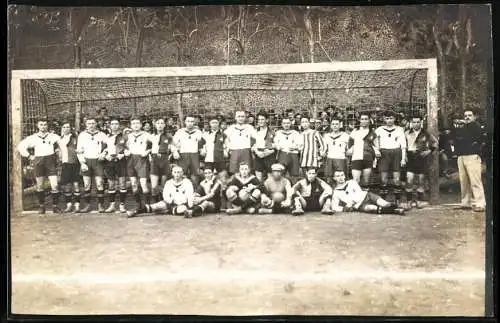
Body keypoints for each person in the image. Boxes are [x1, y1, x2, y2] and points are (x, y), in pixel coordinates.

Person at [18, 119, 62, 214]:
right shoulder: (33, 137)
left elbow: (62, 145)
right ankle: (42, 206)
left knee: (54, 184)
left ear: (47, 126)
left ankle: (55, 206)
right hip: (39, 161)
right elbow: (21, 146)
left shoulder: (53, 136)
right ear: (38, 126)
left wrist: (60, 153)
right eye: (41, 125)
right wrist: (29, 156)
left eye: (45, 124)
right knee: (40, 185)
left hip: (50, 160)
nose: (43, 126)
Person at [126, 166, 194, 217]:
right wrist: (171, 201)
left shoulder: (187, 182)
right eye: (175, 172)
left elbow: (190, 195)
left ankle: (168, 211)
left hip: (182, 204)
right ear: (172, 173)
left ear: (182, 173)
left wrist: (189, 205)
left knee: (182, 209)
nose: (177, 174)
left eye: (179, 172)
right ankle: (135, 212)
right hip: (170, 203)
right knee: (155, 206)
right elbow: (165, 195)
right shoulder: (169, 182)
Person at [452, 109, 485, 212]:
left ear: (474, 117)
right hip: (461, 156)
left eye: (470, 115)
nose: (467, 117)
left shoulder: (476, 126)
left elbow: (479, 139)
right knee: (464, 181)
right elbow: (455, 138)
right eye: (465, 115)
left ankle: (480, 203)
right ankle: (465, 203)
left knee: (475, 181)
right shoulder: (461, 128)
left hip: (472, 156)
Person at [331, 171, 405, 215]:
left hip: (367, 196)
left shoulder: (351, 182)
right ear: (334, 178)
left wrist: (352, 202)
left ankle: (397, 206)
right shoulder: (336, 192)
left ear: (344, 176)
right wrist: (345, 208)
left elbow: (359, 193)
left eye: (342, 175)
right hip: (359, 205)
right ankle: (395, 211)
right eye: (337, 176)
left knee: (384, 204)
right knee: (371, 208)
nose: (340, 178)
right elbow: (334, 207)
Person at [404, 115, 438, 209]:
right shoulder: (406, 133)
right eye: (414, 122)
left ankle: (419, 201)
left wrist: (429, 151)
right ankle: (409, 201)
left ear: (421, 122)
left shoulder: (426, 133)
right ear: (411, 123)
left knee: (421, 180)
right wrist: (404, 156)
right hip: (410, 157)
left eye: (418, 122)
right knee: (409, 179)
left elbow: (435, 143)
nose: (416, 124)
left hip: (421, 158)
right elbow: (402, 145)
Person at [76, 117, 108, 213]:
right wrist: (82, 163)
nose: (91, 125)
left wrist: (104, 153)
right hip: (86, 161)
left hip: (98, 161)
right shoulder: (82, 135)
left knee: (99, 183)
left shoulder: (102, 135)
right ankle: (87, 205)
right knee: (86, 184)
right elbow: (79, 150)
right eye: (89, 123)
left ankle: (100, 206)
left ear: (96, 124)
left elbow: (109, 146)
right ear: (86, 124)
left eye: (93, 123)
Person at [375, 110, 407, 205]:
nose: (389, 120)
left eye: (391, 118)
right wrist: (376, 150)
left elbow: (403, 145)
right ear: (384, 119)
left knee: (396, 179)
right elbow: (371, 141)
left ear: (395, 119)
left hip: (396, 153)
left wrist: (403, 158)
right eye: (387, 118)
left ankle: (397, 201)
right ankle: (383, 201)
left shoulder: (399, 129)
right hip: (384, 153)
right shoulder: (379, 130)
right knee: (383, 179)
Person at [124, 116, 153, 210]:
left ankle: (147, 204)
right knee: (133, 184)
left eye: (137, 123)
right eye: (133, 124)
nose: (135, 125)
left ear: (141, 124)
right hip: (131, 160)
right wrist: (125, 151)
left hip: (141, 160)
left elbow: (156, 144)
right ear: (131, 125)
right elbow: (121, 146)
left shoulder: (147, 135)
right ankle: (138, 204)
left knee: (143, 184)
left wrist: (148, 151)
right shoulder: (128, 136)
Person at [102, 117, 128, 213]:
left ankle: (122, 205)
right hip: (110, 162)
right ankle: (112, 205)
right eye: (112, 124)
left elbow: (129, 148)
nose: (114, 126)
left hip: (121, 162)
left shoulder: (125, 136)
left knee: (122, 183)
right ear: (110, 125)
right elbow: (104, 149)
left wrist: (123, 154)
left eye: (116, 124)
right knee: (111, 184)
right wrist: (105, 155)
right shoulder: (106, 136)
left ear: (119, 125)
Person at [347, 113, 379, 188]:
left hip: (368, 158)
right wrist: (352, 150)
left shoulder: (373, 133)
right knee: (356, 180)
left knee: (366, 180)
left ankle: (365, 198)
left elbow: (377, 146)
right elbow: (350, 145)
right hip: (356, 158)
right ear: (359, 120)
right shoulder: (355, 131)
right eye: (362, 119)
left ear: (369, 120)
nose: (364, 121)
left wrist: (375, 152)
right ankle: (355, 198)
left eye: (366, 119)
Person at [172, 115, 204, 184]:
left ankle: (194, 191)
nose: (190, 123)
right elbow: (173, 143)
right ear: (185, 122)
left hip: (194, 155)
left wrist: (202, 150)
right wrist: (175, 152)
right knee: (181, 174)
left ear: (194, 122)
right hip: (183, 154)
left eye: (192, 121)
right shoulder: (180, 132)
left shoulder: (198, 132)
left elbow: (201, 144)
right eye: (188, 121)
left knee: (195, 175)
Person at [224, 111, 257, 175]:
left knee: (247, 171)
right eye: (239, 116)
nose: (240, 118)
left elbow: (256, 139)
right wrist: (228, 148)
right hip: (235, 152)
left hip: (246, 151)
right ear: (235, 118)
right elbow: (225, 138)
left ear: (245, 118)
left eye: (242, 116)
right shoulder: (231, 128)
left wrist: (253, 148)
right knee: (235, 171)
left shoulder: (249, 127)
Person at [58, 123, 81, 213]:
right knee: (67, 186)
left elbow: (80, 148)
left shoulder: (75, 137)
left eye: (68, 127)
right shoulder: (59, 139)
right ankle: (69, 205)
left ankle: (77, 206)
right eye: (64, 127)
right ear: (62, 128)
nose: (66, 128)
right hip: (65, 164)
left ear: (70, 128)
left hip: (75, 163)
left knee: (76, 185)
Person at [149, 118, 172, 203]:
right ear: (155, 125)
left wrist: (171, 154)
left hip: (165, 159)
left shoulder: (168, 136)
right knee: (154, 185)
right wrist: (149, 155)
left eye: (162, 123)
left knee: (164, 183)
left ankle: (162, 202)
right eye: (158, 123)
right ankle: (154, 203)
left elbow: (174, 146)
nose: (160, 125)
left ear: (165, 125)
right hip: (154, 159)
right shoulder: (150, 136)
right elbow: (146, 148)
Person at [273, 117, 303, 183]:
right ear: (282, 124)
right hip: (282, 154)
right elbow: (275, 143)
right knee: (281, 173)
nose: (286, 125)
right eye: (284, 123)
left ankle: (294, 190)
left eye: (288, 123)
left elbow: (301, 145)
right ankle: (282, 190)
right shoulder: (278, 133)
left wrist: (295, 147)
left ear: (291, 124)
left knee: (294, 174)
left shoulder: (296, 133)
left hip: (293, 154)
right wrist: (278, 146)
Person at [323, 117, 350, 185]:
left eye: (337, 124)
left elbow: (349, 148)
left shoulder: (345, 135)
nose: (335, 125)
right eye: (333, 124)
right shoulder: (326, 136)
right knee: (329, 179)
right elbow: (324, 148)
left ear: (340, 125)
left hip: (341, 159)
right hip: (330, 158)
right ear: (331, 125)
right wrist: (323, 152)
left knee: (341, 178)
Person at [252, 111, 276, 181]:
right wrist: (257, 152)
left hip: (269, 155)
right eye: (259, 119)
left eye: (262, 119)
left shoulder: (272, 131)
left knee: (270, 178)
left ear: (267, 120)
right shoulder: (254, 131)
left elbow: (276, 145)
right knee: (259, 178)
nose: (260, 121)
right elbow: (252, 145)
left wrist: (268, 152)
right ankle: (260, 190)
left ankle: (269, 191)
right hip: (258, 155)